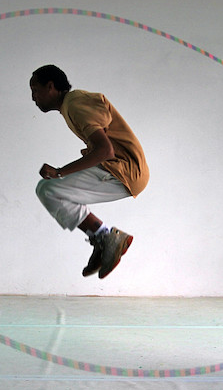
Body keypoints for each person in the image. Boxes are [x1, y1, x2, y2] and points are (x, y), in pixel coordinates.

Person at [30, 65, 149, 279]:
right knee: (52, 191)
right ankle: (103, 238)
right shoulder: (71, 105)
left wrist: (59, 172)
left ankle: (105, 237)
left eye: (35, 90)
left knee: (48, 189)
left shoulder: (76, 103)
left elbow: (105, 150)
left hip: (123, 170)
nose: (33, 97)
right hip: (121, 168)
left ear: (51, 86)